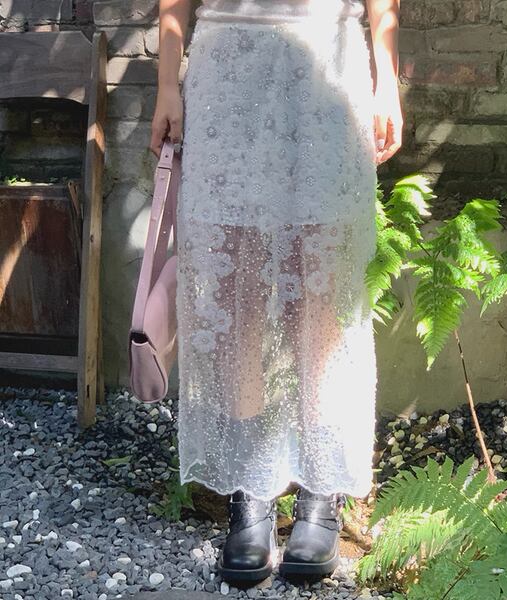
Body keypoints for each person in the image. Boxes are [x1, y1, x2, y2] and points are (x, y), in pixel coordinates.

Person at [149, 0, 402, 585]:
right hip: (228, 71)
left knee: (321, 284)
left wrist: (387, 81)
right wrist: (165, 84)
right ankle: (250, 487)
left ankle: (321, 488)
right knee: (235, 288)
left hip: (329, 67)